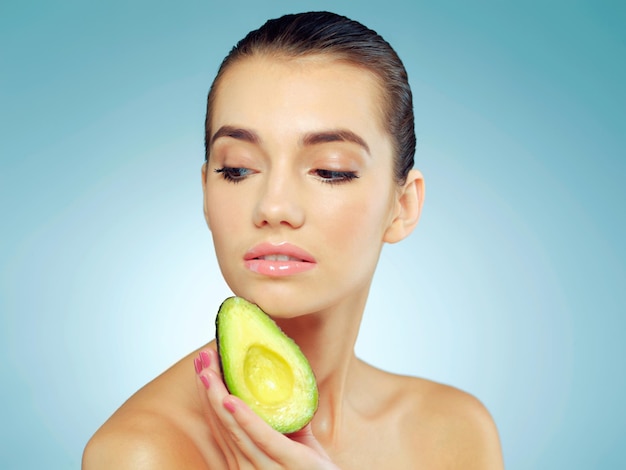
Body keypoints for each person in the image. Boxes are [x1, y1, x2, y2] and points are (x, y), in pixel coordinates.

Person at [83, 11, 504, 469]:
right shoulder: (142, 453)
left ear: (402, 207)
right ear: (206, 192)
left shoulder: (455, 431)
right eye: (238, 169)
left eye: (330, 170)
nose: (274, 207)